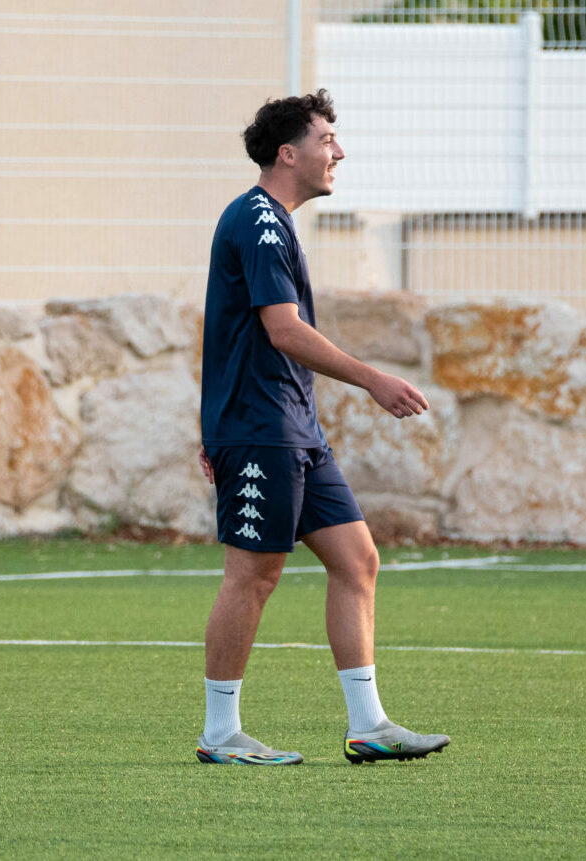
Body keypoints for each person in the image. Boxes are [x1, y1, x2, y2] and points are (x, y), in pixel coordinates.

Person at [196, 89, 450, 765]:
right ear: (288, 153)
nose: (339, 151)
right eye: (326, 138)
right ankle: (219, 733)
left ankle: (368, 725)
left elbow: (234, 333)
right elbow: (282, 331)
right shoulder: (258, 220)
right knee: (253, 575)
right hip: (261, 430)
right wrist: (372, 379)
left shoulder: (272, 222)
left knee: (356, 560)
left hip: (293, 429)